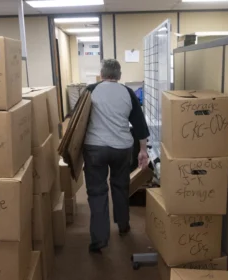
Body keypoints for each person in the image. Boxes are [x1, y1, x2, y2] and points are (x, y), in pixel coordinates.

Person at [83, 59, 150, 254]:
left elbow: (78, 122)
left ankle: (99, 239)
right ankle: (123, 225)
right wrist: (143, 150)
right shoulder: (128, 92)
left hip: (95, 148)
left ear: (101, 74)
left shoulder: (90, 90)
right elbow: (140, 125)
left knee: (97, 192)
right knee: (121, 187)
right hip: (122, 149)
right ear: (119, 75)